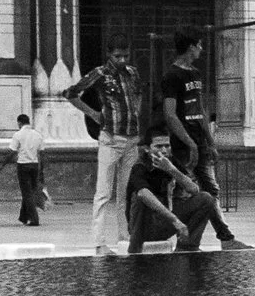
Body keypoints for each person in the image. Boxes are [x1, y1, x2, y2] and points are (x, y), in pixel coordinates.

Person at [67, 43, 145, 254]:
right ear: (109, 54)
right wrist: (92, 114)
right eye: (118, 56)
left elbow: (139, 93)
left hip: (131, 139)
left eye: (126, 55)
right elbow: (72, 93)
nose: (122, 60)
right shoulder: (100, 73)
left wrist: (136, 113)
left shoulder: (132, 72)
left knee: (126, 193)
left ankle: (124, 237)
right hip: (110, 138)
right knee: (103, 193)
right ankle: (100, 243)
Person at [127, 142, 239, 254]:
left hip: (164, 223)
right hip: (143, 227)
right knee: (141, 199)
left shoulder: (170, 162)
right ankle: (135, 250)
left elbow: (194, 189)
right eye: (159, 147)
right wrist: (175, 220)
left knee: (205, 198)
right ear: (147, 149)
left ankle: (187, 248)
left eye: (167, 146)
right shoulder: (139, 167)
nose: (164, 150)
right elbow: (143, 194)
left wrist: (171, 169)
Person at [158, 27, 218, 193]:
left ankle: (217, 220)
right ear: (191, 47)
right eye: (199, 45)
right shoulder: (172, 76)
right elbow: (170, 115)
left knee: (211, 190)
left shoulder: (196, 73)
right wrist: (190, 144)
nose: (201, 49)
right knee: (183, 188)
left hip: (200, 141)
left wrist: (210, 142)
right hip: (183, 144)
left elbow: (201, 110)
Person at [11, 113, 47, 226]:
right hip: (35, 165)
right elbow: (42, 153)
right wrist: (42, 170)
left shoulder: (18, 135)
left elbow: (12, 151)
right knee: (30, 191)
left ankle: (34, 218)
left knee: (27, 193)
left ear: (20, 123)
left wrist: (3, 163)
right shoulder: (37, 135)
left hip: (23, 165)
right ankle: (23, 216)